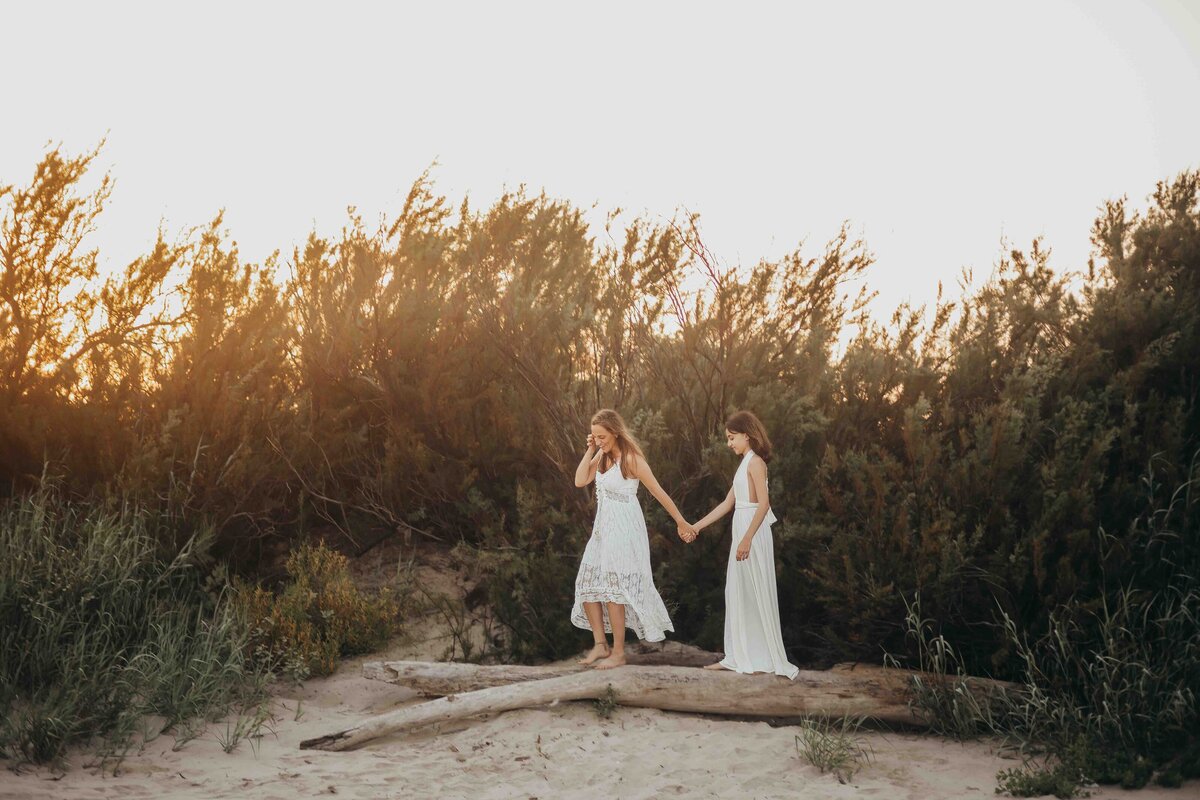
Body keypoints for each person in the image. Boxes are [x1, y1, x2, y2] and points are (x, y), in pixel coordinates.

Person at [571, 409, 695, 669]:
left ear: (615, 432)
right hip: (603, 531)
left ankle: (618, 653)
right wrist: (591, 449)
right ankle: (600, 645)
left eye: (602, 436)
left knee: (614, 591)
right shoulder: (602, 457)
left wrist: (681, 521)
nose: (599, 440)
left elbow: (658, 492)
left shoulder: (631, 459)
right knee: (587, 584)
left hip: (625, 530)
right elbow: (580, 480)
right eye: (594, 436)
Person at [689, 410, 798, 679]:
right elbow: (728, 504)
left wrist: (747, 538)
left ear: (746, 436)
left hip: (753, 531)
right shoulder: (744, 463)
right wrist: (696, 527)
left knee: (755, 590)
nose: (729, 443)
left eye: (731, 437)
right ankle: (736, 656)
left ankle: (759, 657)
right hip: (742, 528)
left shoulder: (756, 463)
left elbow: (764, 504)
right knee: (737, 591)